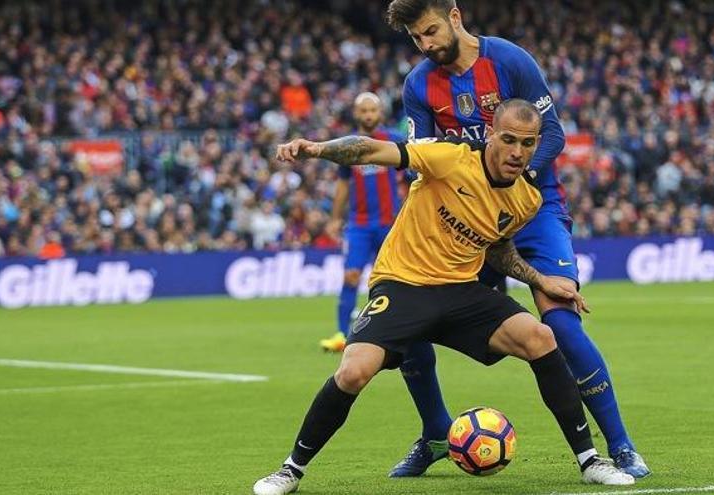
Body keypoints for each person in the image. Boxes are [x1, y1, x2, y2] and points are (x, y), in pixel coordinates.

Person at [253, 100, 634, 495]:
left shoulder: (526, 199)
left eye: (527, 143)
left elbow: (499, 249)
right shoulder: (449, 157)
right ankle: (290, 471)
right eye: (508, 140)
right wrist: (318, 148)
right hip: (403, 283)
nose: (517, 152)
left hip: (460, 292)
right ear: (490, 134)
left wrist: (541, 280)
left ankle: (590, 460)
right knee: (352, 372)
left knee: (541, 338)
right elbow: (370, 149)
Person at [385, 0, 650, 478]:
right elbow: (420, 158)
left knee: (563, 326)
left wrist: (517, 179)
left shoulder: (509, 60)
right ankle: (436, 434)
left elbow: (553, 134)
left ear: (455, 16)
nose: (426, 45)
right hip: (467, 220)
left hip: (535, 208)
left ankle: (621, 445)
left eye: (429, 31)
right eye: (416, 39)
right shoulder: (419, 84)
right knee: (408, 321)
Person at [319, 92, 405, 352]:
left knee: (394, 279)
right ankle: (341, 334)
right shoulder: (349, 145)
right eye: (363, 110)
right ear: (356, 114)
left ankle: (397, 332)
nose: (368, 115)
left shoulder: (394, 140)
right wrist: (335, 218)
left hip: (390, 222)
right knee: (351, 275)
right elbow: (343, 184)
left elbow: (413, 175)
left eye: (372, 110)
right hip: (359, 223)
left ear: (380, 113)